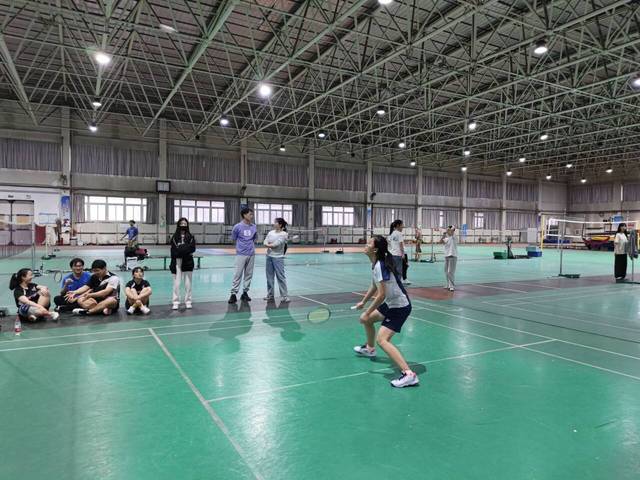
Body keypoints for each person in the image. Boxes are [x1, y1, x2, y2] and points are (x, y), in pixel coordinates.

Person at [353, 235, 418, 388]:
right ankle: (370, 349)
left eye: (369, 243)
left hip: (399, 307)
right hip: (391, 304)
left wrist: (367, 311)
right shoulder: (375, 264)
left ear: (375, 249)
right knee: (368, 320)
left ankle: (409, 374)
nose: (366, 244)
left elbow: (381, 295)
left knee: (382, 340)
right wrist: (363, 302)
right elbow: (374, 285)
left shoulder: (380, 265)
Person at [229, 207, 257, 304]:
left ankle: (245, 293)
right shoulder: (237, 227)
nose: (252, 216)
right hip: (241, 254)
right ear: (244, 215)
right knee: (237, 274)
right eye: (250, 214)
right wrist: (241, 247)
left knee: (248, 274)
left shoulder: (254, 226)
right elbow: (234, 238)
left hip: (251, 254)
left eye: (252, 214)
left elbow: (254, 238)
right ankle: (233, 294)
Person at [170, 217, 196, 310]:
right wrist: (184, 249)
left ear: (187, 225)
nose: (183, 225)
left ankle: (188, 301)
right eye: (181, 224)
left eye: (185, 224)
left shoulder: (191, 237)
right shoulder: (174, 237)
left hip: (187, 261)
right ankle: (175, 301)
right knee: (176, 283)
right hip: (176, 262)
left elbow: (192, 248)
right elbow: (173, 250)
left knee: (188, 283)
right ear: (178, 225)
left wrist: (181, 248)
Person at [263, 217, 290, 303]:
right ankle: (270, 295)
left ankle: (284, 296)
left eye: (275, 222)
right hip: (269, 257)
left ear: (280, 225)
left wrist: (268, 245)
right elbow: (265, 241)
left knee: (280, 277)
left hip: (278, 258)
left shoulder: (284, 234)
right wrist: (268, 244)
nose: (274, 223)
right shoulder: (270, 232)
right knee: (269, 277)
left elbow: (275, 245)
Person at [388, 219, 410, 285]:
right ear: (398, 225)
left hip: (393, 254)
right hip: (398, 254)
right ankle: (398, 284)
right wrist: (402, 254)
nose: (403, 226)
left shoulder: (392, 233)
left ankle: (395, 282)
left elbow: (391, 244)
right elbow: (401, 244)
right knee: (399, 271)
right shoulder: (399, 233)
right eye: (402, 225)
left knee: (394, 270)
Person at [441, 225, 458, 292]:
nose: (448, 230)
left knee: (450, 272)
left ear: (452, 230)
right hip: (447, 256)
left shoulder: (454, 236)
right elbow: (441, 241)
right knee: (446, 271)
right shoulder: (447, 238)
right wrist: (443, 235)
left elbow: (451, 232)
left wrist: (448, 230)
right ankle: (448, 284)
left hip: (453, 256)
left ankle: (452, 286)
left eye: (449, 230)